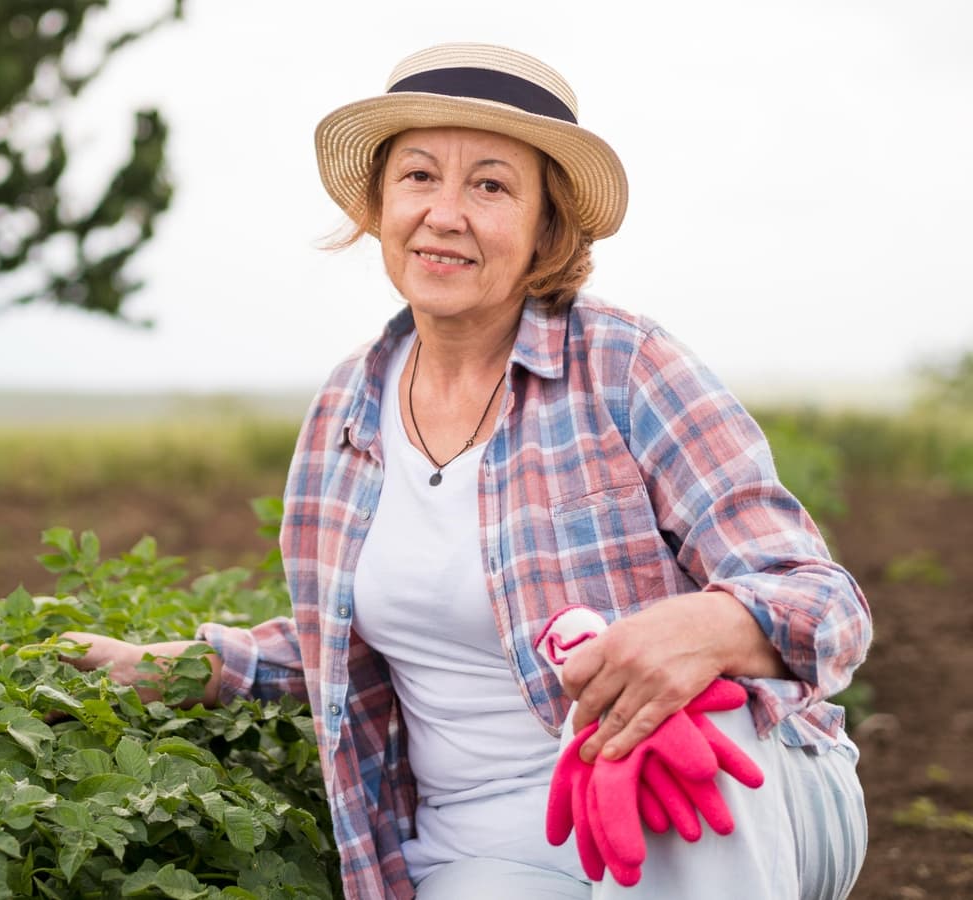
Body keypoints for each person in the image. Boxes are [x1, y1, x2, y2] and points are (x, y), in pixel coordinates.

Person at [63, 43, 871, 899]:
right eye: (418, 177)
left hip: (727, 798)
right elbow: (347, 644)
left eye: (490, 185)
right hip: (488, 850)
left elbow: (827, 604)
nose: (444, 214)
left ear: (545, 226)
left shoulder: (627, 367)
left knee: (667, 729)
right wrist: (178, 665)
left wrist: (704, 630)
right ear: (381, 205)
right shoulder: (346, 412)